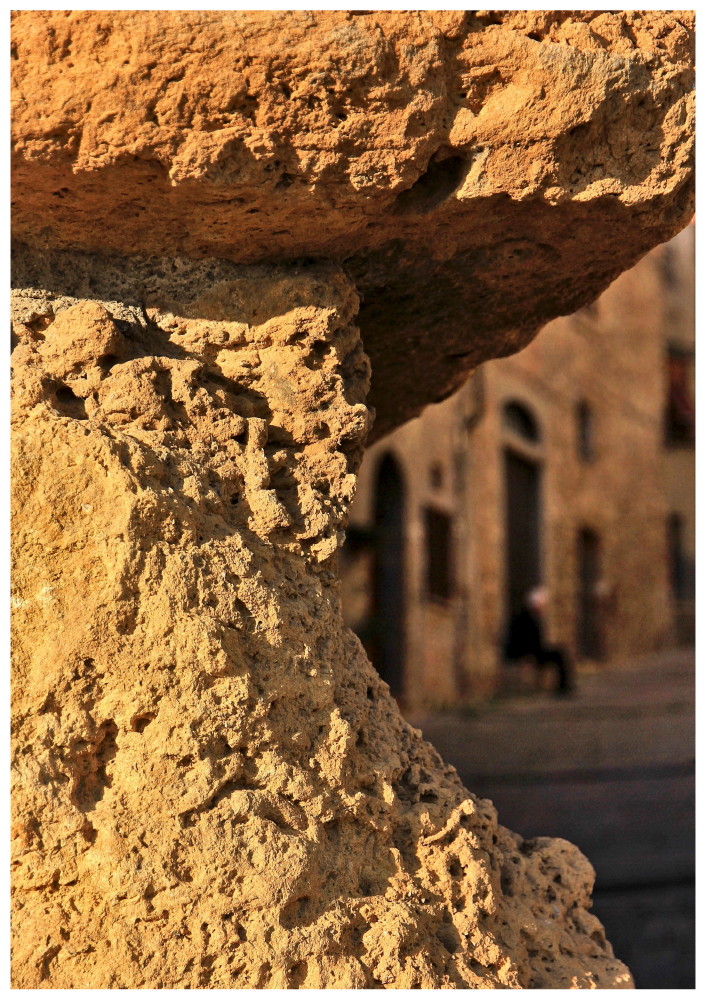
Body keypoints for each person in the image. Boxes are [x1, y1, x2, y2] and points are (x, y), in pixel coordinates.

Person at [503, 587, 575, 696]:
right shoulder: (526, 618)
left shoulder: (528, 616)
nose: (544, 608)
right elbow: (529, 641)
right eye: (542, 605)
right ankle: (563, 688)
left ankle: (564, 686)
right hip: (524, 652)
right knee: (559, 655)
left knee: (559, 652)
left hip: (529, 650)